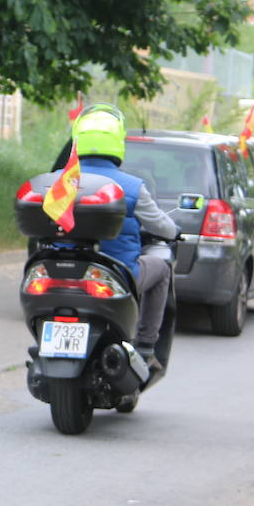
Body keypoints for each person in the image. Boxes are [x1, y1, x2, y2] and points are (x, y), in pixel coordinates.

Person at [67, 105, 179, 363]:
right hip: (116, 273)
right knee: (162, 269)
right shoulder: (132, 186)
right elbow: (161, 227)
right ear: (117, 142)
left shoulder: (59, 182)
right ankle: (147, 344)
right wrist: (175, 231)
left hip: (64, 271)